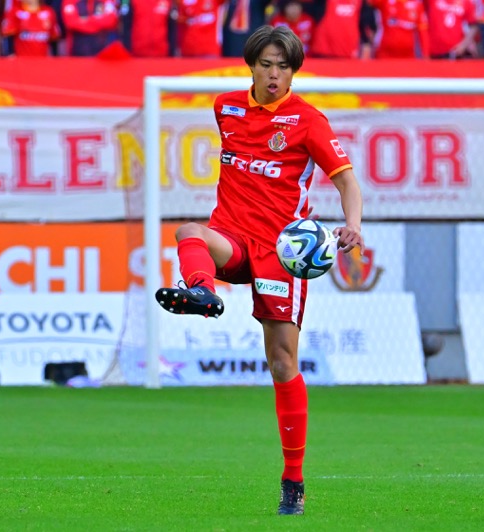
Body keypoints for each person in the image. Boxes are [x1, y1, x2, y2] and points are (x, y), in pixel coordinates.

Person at [154, 25, 364, 515]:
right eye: (267, 64)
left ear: (294, 71)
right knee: (189, 231)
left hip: (281, 251)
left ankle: (293, 479)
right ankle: (203, 293)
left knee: (282, 363)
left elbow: (348, 182)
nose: (275, 75)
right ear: (251, 64)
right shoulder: (225, 107)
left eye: (284, 67)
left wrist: (352, 225)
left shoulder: (308, 120)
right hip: (231, 236)